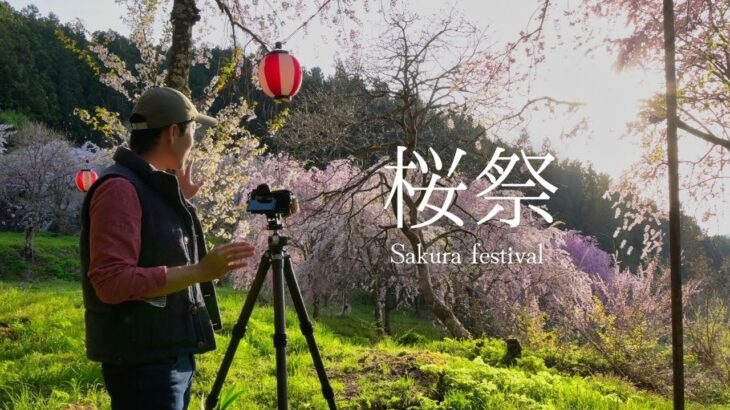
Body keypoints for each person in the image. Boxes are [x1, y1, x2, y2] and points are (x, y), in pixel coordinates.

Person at [79, 86, 256, 410]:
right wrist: (201, 271)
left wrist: (177, 200)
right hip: (145, 363)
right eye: (192, 132)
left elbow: (151, 240)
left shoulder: (145, 186)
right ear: (174, 133)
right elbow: (111, 281)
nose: (194, 143)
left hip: (163, 353)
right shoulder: (119, 189)